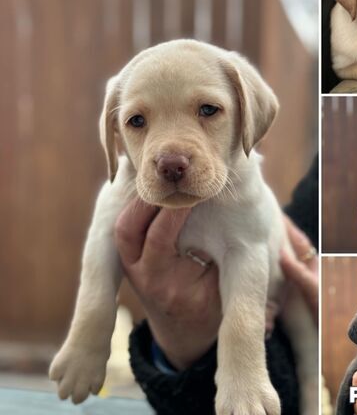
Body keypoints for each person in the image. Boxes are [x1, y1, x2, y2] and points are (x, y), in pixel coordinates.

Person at [115, 158, 318, 415]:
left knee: (309, 362)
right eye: (137, 121)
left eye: (208, 113)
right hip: (213, 374)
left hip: (287, 316)